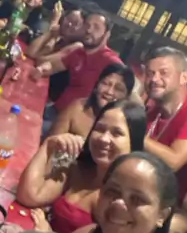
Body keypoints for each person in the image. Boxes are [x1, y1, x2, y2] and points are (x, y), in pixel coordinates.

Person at [17, 100, 146, 233]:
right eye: (100, 129)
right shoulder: (77, 169)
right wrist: (48, 146)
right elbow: (29, 196)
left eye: (116, 133)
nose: (103, 138)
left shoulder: (119, 198)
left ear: (133, 142)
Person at [38, 10, 123, 139]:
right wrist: (43, 68)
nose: (89, 30)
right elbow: (48, 66)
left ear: (106, 35)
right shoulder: (78, 52)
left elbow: (129, 93)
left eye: (96, 27)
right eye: (87, 25)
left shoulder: (111, 62)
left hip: (71, 126)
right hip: (54, 110)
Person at [143, 46, 187, 201]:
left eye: (163, 73)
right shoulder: (151, 112)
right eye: (150, 73)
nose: (154, 79)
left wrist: (133, 130)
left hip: (178, 206)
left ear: (184, 78)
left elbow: (174, 161)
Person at [49, 64, 136, 140]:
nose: (109, 92)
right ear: (96, 86)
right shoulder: (77, 109)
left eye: (118, 89)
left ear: (127, 97)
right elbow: (50, 145)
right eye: (105, 83)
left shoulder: (126, 125)